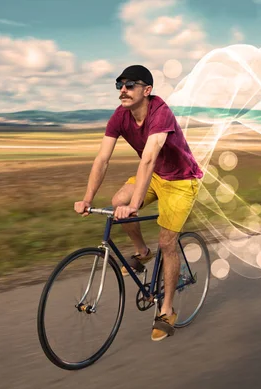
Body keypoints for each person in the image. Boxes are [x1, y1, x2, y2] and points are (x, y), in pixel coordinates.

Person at [74, 65, 203, 341]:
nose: (123, 89)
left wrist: (135, 205)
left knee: (168, 242)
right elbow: (102, 159)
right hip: (156, 177)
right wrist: (87, 198)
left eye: (130, 84)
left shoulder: (160, 113)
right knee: (117, 202)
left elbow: (148, 158)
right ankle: (142, 252)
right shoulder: (120, 116)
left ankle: (166, 309)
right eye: (120, 84)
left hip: (181, 181)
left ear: (147, 90)